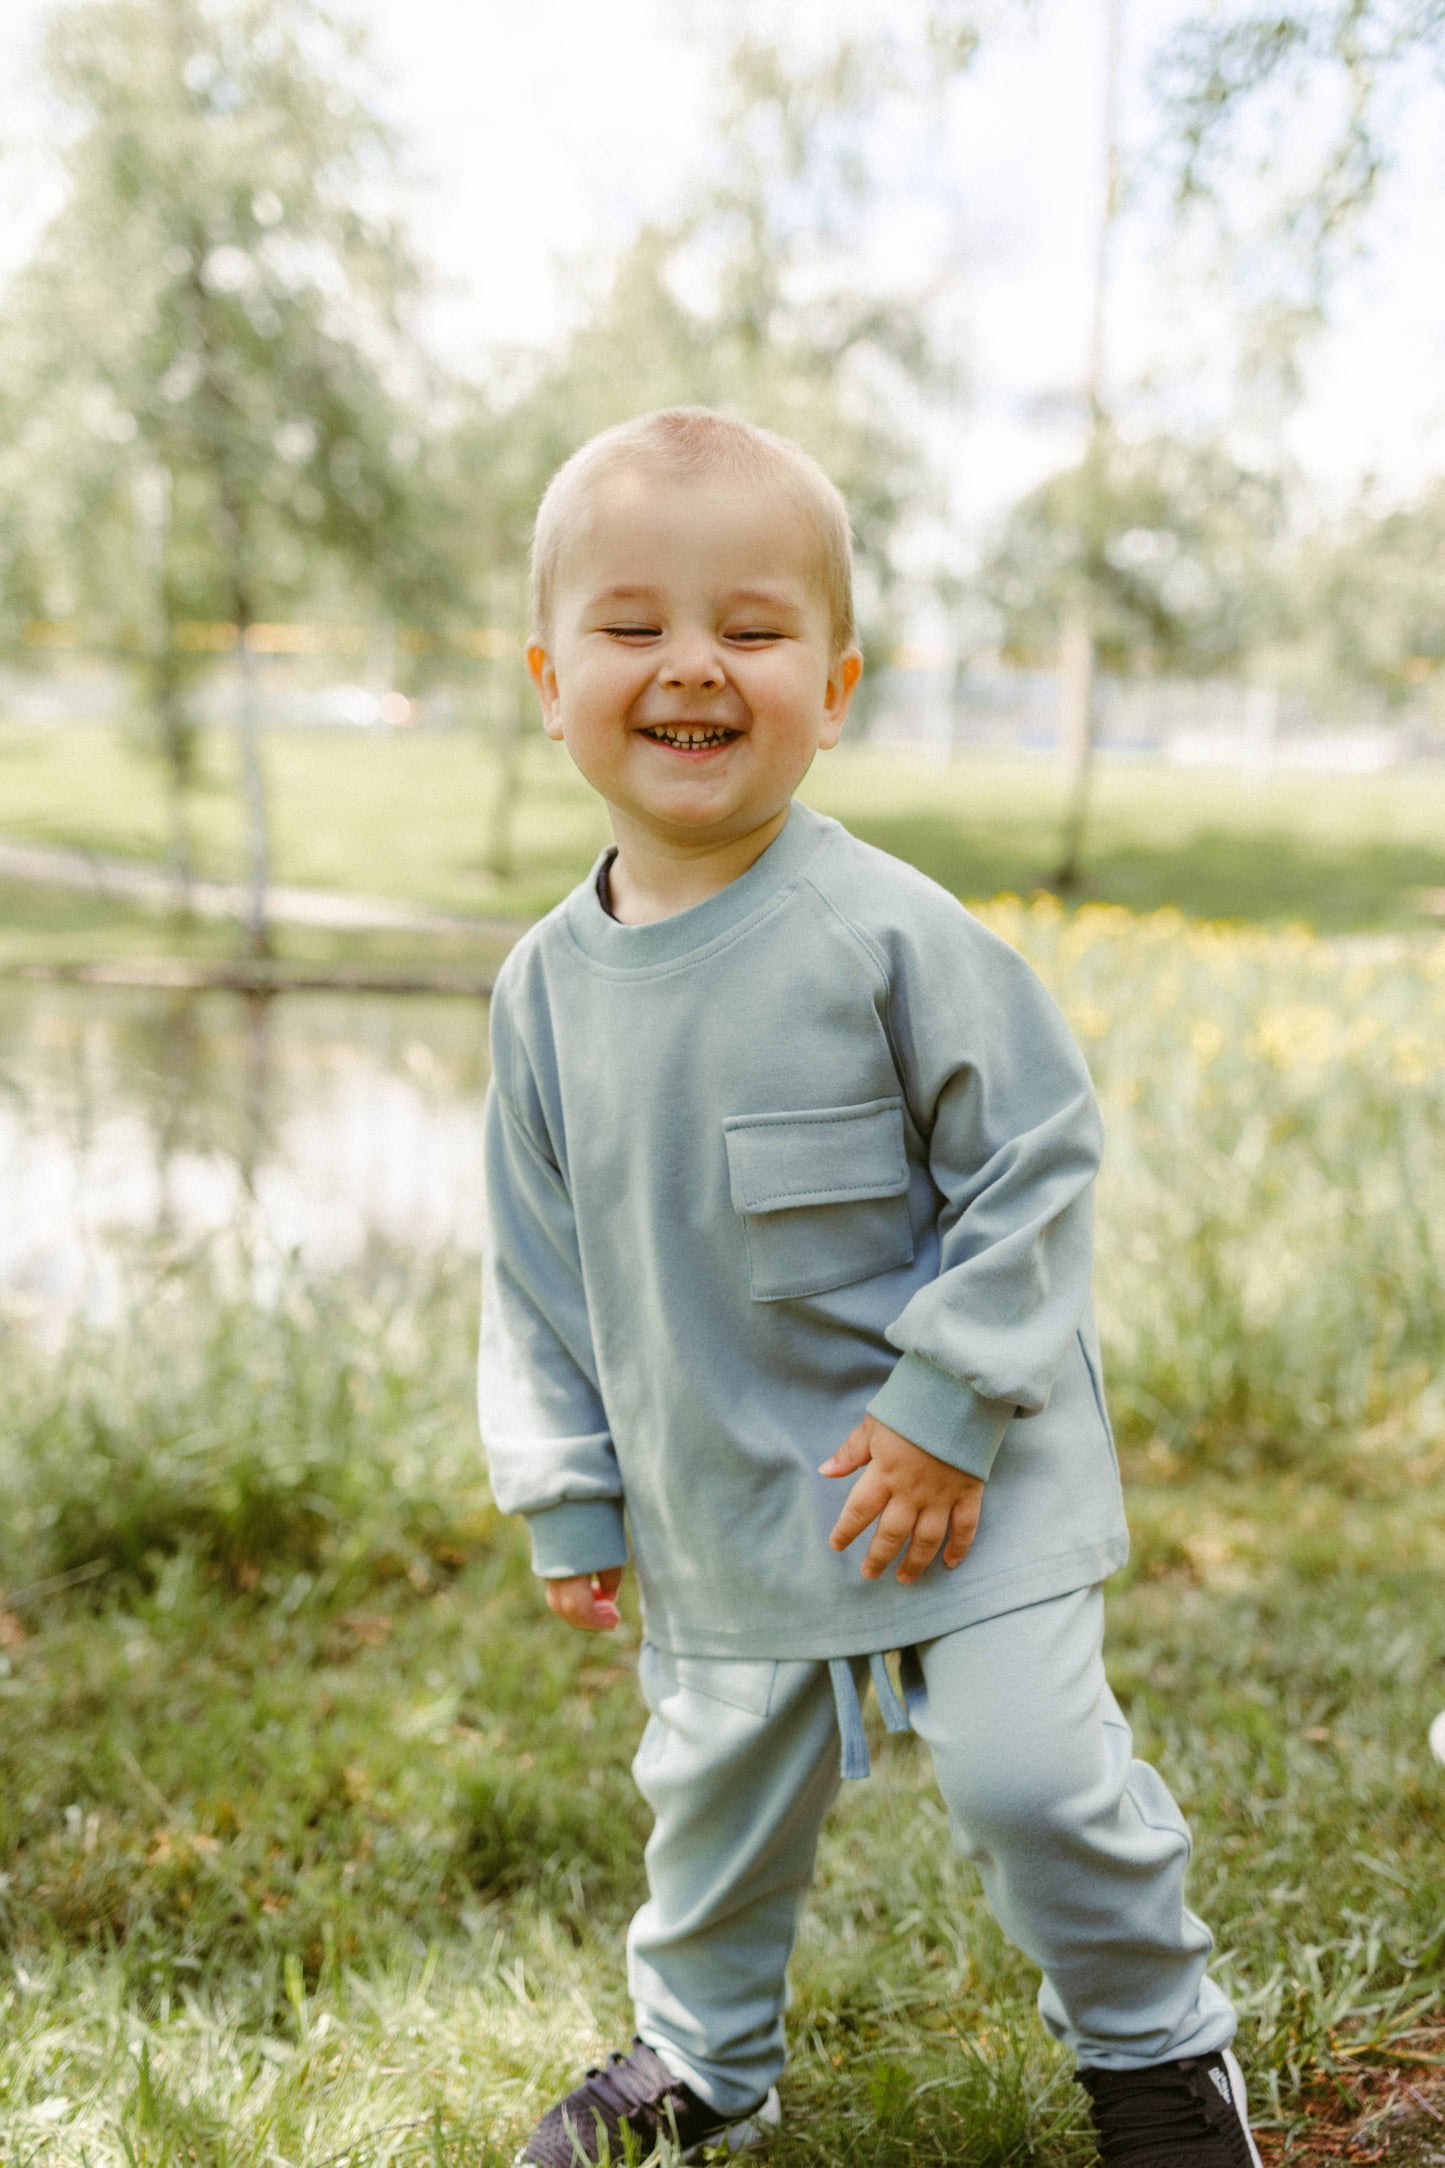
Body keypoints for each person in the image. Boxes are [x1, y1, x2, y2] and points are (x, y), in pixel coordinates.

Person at [479, 407, 1262, 2168]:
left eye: (752, 629)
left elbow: (1035, 1158)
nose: (693, 664)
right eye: (632, 625)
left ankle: (1158, 2061)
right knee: (711, 1807)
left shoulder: (886, 931)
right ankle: (701, 2065)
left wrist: (948, 1404)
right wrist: (568, 1486)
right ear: (549, 681)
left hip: (972, 1472)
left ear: (834, 687)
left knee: (1034, 1782)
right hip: (730, 1489)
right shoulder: (542, 993)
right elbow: (533, 1262)